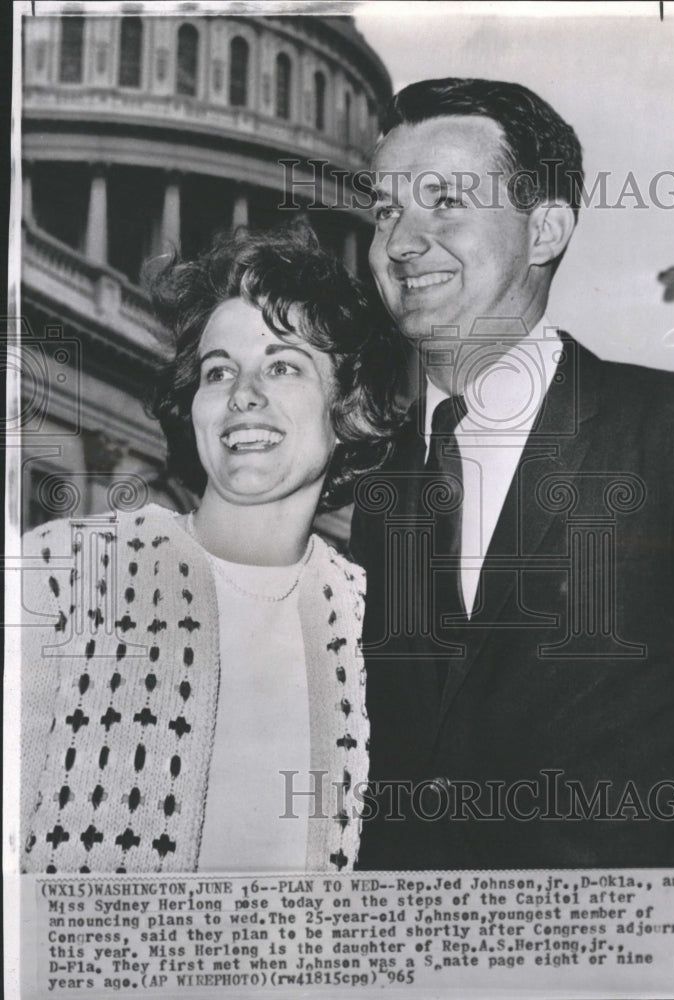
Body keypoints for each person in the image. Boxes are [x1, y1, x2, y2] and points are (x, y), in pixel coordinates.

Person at [352, 79, 674, 870]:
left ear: (544, 227)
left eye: (444, 200)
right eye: (384, 212)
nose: (401, 243)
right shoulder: (379, 491)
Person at [20, 224, 404, 874]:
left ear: (350, 410)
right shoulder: (59, 575)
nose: (242, 394)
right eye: (218, 371)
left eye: (283, 365)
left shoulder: (385, 636)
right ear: (192, 406)